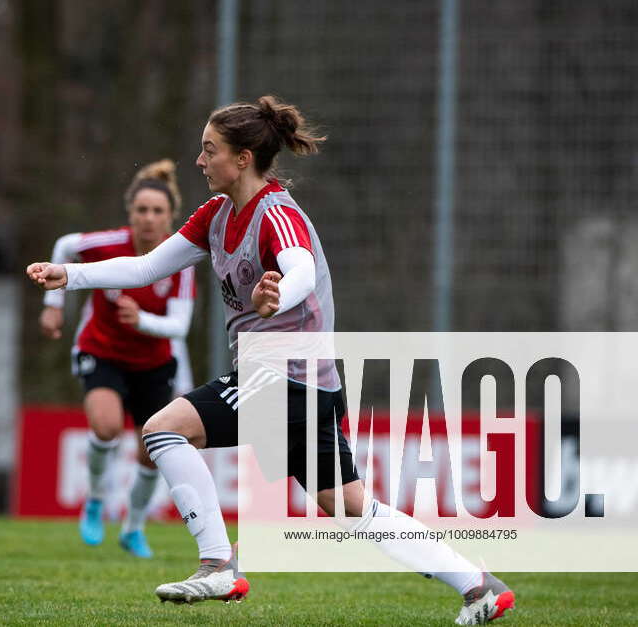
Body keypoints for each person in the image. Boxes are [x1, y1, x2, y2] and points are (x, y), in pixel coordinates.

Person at [27, 96, 516, 624]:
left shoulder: (276, 214)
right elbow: (148, 267)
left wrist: (277, 297)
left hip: (286, 376)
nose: (199, 160)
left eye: (209, 150)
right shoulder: (216, 215)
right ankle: (479, 586)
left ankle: (217, 563)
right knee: (353, 508)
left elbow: (300, 268)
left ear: (242, 159)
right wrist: (71, 276)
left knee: (164, 430)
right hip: (309, 383)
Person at [39, 159, 195, 558]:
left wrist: (141, 320)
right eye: (141, 210)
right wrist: (53, 304)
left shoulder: (180, 258)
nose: (148, 218)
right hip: (101, 351)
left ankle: (134, 527)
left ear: (170, 216)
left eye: (157, 211)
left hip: (154, 363)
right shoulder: (107, 246)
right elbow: (64, 247)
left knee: (153, 449)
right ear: (130, 213)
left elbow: (179, 326)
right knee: (106, 427)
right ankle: (95, 500)